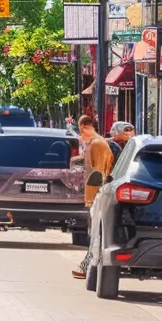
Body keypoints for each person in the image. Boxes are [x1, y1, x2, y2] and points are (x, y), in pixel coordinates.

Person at [71, 115, 117, 279]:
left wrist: (97, 195)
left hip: (97, 195)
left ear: (84, 126)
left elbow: (100, 172)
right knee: (93, 234)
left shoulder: (97, 144)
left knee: (95, 234)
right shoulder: (95, 143)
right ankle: (88, 265)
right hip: (94, 195)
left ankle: (87, 266)